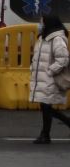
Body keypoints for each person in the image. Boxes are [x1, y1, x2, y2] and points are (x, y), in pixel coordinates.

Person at [30, 13, 70, 145]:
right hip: (42, 78)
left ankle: (45, 135)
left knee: (46, 106)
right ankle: (46, 134)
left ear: (48, 23)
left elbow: (63, 59)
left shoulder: (57, 39)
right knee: (45, 106)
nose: (40, 24)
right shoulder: (43, 38)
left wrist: (50, 71)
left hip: (50, 79)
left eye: (42, 22)